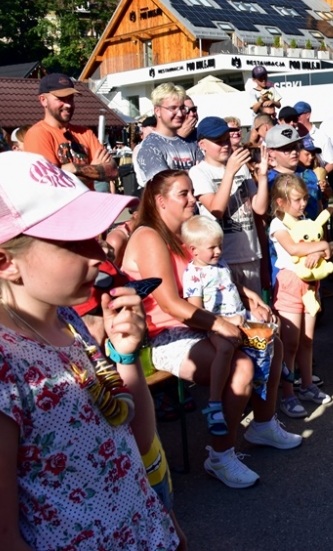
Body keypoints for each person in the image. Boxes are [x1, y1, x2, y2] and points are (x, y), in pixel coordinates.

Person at [0, 152, 179, 550]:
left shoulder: (67, 320)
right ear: (4, 263)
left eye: (95, 237)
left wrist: (125, 356)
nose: (100, 255)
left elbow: (134, 438)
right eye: (74, 242)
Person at [121, 169, 299, 489]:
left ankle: (263, 424)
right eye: (184, 194)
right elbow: (170, 304)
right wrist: (220, 323)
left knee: (271, 343)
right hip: (166, 335)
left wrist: (250, 297)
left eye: (192, 191)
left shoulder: (185, 232)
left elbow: (214, 274)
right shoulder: (149, 237)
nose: (193, 199)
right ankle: (220, 456)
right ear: (160, 201)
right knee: (241, 367)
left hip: (200, 323)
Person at [268, 175, 333, 418]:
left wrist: (319, 251)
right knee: (290, 343)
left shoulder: (307, 221)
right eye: (297, 200)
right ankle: (288, 394)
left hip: (310, 286)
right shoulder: (278, 225)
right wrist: (320, 247)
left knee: (307, 339)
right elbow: (294, 248)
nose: (303, 203)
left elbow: (322, 248)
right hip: (289, 284)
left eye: (305, 198)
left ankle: (307, 385)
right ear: (281, 202)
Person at [189, 116, 269, 291]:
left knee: (256, 306)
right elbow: (216, 210)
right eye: (218, 141)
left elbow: (259, 208)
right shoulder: (198, 172)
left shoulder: (241, 167)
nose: (225, 145)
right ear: (202, 144)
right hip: (221, 258)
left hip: (250, 254)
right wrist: (230, 172)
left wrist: (262, 177)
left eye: (226, 140)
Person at [180, 215, 240, 435]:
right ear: (194, 250)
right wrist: (226, 322)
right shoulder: (194, 275)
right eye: (212, 247)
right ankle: (215, 402)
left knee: (272, 328)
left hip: (238, 316)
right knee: (224, 349)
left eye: (220, 245)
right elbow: (196, 310)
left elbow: (233, 286)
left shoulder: (220, 263)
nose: (218, 251)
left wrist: (255, 299)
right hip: (216, 324)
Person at [22, 73, 118, 190]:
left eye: (71, 98)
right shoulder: (38, 134)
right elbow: (53, 183)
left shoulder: (85, 132)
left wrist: (73, 168)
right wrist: (94, 169)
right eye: (61, 99)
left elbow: (112, 171)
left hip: (89, 201)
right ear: (43, 100)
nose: (68, 104)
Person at [134, 82, 202, 187]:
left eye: (182, 108)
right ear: (157, 111)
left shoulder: (191, 141)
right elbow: (165, 187)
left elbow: (206, 175)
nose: (180, 114)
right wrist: (194, 174)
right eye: (173, 108)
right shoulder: (150, 146)